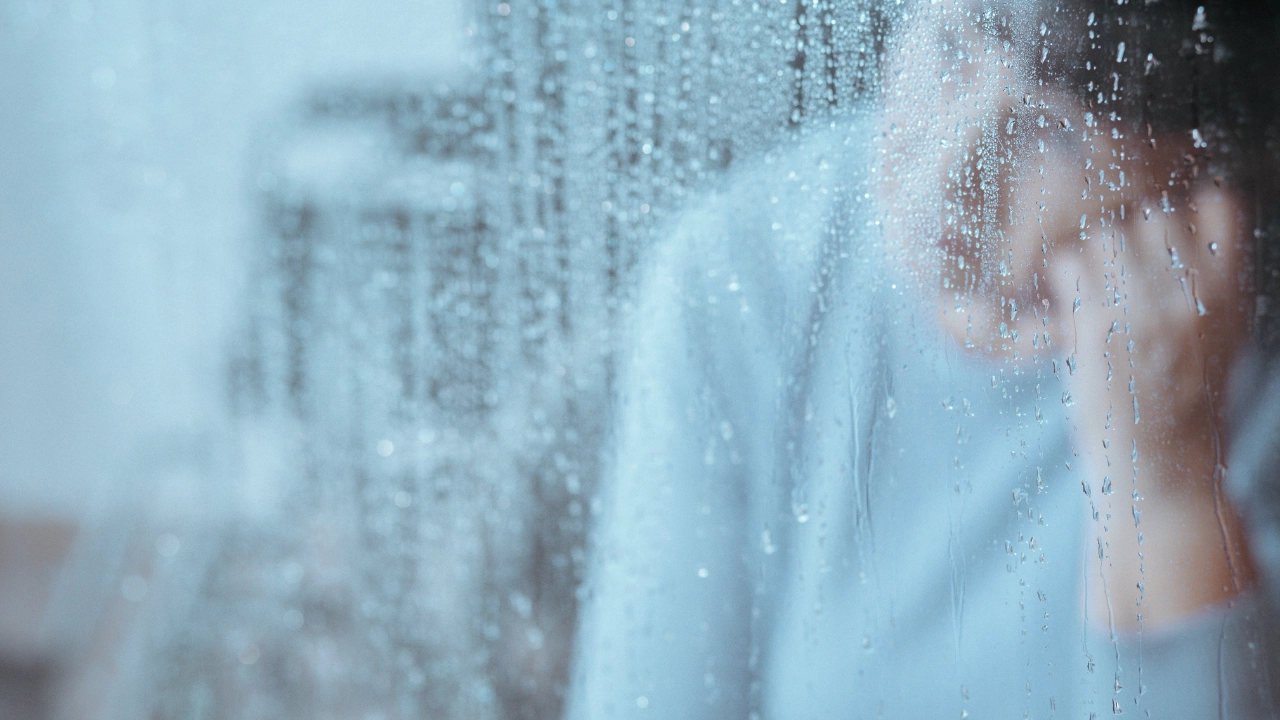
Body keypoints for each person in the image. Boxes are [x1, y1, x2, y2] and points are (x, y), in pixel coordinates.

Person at [567, 0, 1280, 717]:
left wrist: (1166, 488)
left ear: (1199, 171)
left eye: (1055, 133)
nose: (953, 171)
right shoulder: (743, 276)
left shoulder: (1249, 380)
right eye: (951, 48)